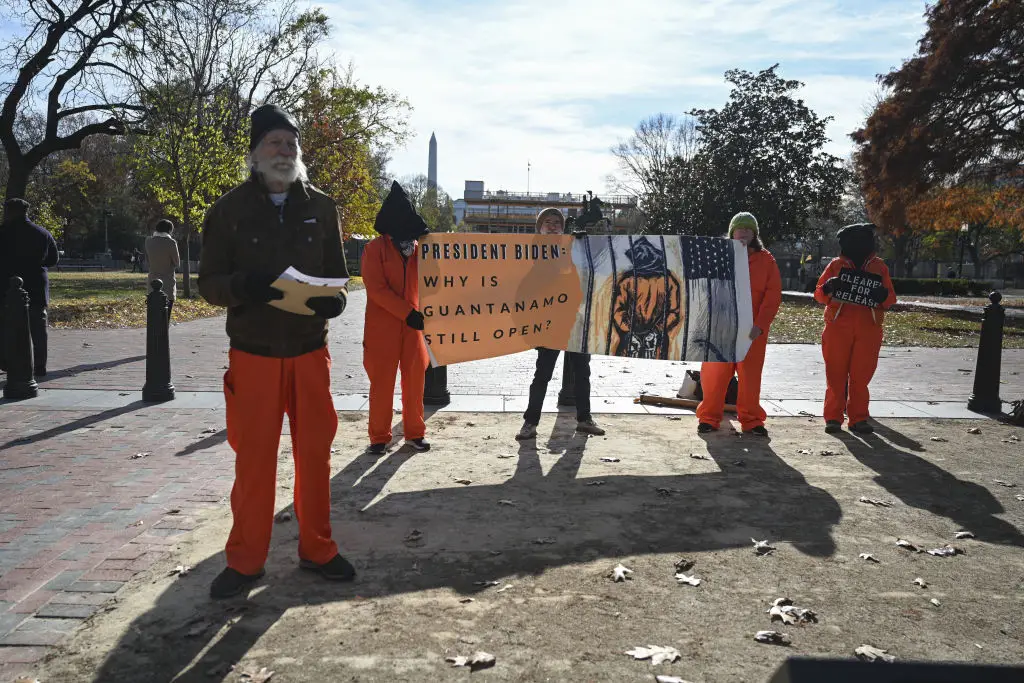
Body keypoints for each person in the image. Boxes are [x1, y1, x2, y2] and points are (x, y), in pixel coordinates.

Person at [198, 103, 353, 599]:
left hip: (310, 352)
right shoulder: (227, 210)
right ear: (254, 153)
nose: (284, 152)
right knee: (255, 460)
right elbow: (209, 284)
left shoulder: (322, 207)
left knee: (315, 455)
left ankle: (318, 549)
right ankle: (245, 561)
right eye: (274, 143)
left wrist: (336, 301)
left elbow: (340, 276)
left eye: (291, 143)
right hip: (254, 354)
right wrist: (245, 285)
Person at [516, 207, 605, 440]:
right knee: (542, 374)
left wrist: (584, 245)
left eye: (557, 222)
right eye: (548, 222)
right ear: (540, 227)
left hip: (575, 319)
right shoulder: (531, 251)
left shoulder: (575, 248)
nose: (553, 225)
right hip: (548, 322)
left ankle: (584, 419)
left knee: (582, 372)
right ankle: (530, 423)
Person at [696, 212, 781, 436]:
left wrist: (760, 325)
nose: (743, 233)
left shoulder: (767, 260)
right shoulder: (717, 257)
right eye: (739, 229)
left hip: (753, 333)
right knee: (714, 376)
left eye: (748, 229)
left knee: (750, 377)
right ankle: (708, 418)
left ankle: (752, 421)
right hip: (720, 330)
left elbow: (772, 297)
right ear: (732, 232)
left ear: (755, 234)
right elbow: (704, 289)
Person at [362, 181, 431, 455]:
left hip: (413, 327)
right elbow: (377, 289)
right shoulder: (373, 250)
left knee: (415, 382)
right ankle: (379, 436)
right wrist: (407, 313)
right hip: (383, 329)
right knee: (382, 384)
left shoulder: (420, 250)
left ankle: (415, 433)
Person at [815, 223, 895, 434]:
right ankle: (833, 417)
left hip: (869, 328)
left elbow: (890, 299)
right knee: (835, 375)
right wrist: (829, 287)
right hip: (837, 327)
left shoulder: (880, 267)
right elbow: (819, 295)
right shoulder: (835, 265)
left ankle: (858, 418)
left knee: (861, 376)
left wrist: (882, 296)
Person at [0, 198, 59, 376]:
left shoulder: (3, 232)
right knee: (39, 330)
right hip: (36, 286)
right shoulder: (42, 233)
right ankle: (40, 366)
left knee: (6, 327)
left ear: (10, 211)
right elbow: (53, 260)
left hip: (6, 286)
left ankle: (8, 362)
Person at [145, 219, 180, 325]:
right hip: (167, 281)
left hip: (152, 281)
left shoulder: (148, 241)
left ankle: (154, 339)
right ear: (169, 230)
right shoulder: (171, 243)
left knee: (153, 316)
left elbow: (148, 260)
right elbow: (177, 262)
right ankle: (163, 339)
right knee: (165, 316)